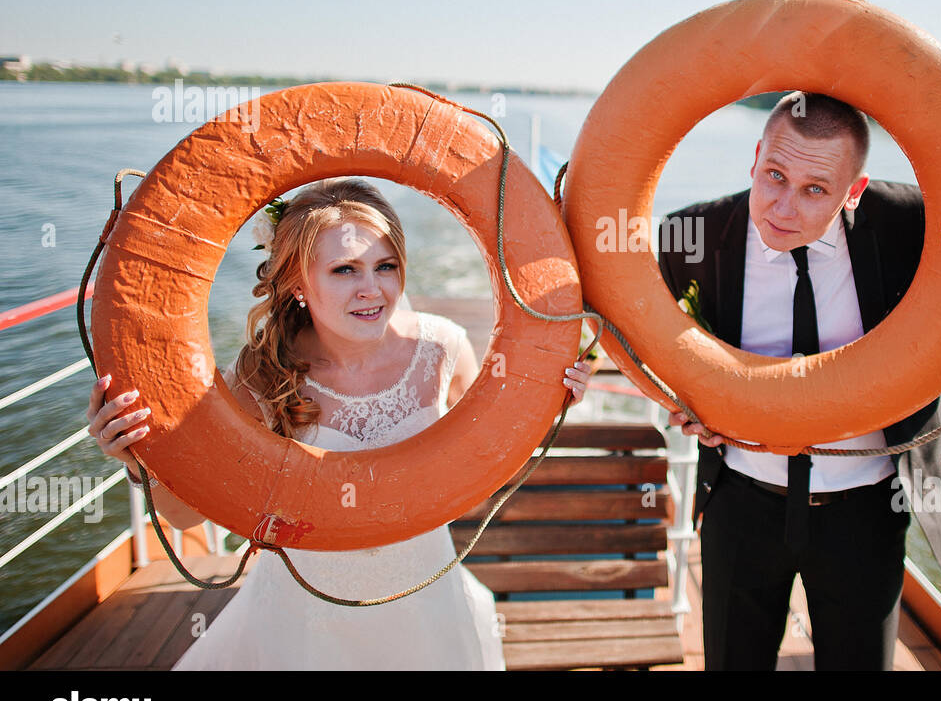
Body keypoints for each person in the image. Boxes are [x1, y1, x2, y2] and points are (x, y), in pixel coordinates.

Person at [87, 178, 591, 670]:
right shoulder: (261, 376)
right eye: (345, 269)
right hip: (306, 619)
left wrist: (549, 400)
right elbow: (186, 516)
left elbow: (484, 468)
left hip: (425, 598)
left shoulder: (443, 350)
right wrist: (137, 458)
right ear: (296, 284)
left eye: (385, 266)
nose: (372, 290)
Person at [659, 92, 941, 671]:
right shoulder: (694, 233)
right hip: (741, 504)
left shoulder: (914, 223)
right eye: (774, 175)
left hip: (866, 511)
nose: (783, 207)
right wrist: (680, 395)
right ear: (755, 158)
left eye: (815, 189)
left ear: (854, 191)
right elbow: (637, 334)